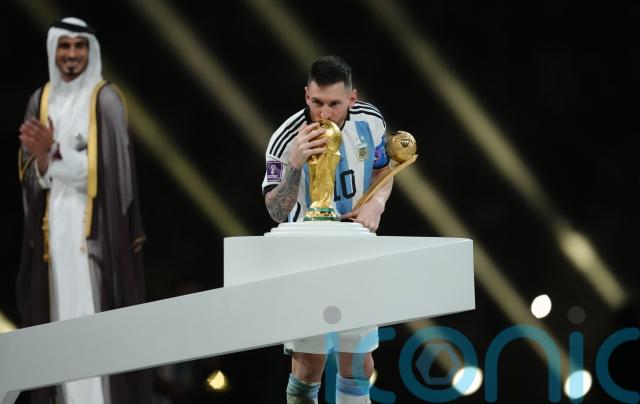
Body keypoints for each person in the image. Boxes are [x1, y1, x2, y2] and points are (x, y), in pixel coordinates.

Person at [17, 17, 150, 404]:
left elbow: (112, 172)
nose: (72, 54)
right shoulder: (41, 100)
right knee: (57, 323)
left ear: (91, 52)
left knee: (92, 325)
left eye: (79, 46)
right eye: (65, 46)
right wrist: (45, 160)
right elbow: (29, 169)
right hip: (52, 239)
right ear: (53, 50)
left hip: (97, 239)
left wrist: (53, 153)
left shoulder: (105, 99)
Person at [262, 56, 393, 404]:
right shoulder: (285, 139)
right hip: (305, 259)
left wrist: (376, 203)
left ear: (352, 98)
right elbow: (275, 211)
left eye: (334, 104)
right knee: (308, 366)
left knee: (359, 364)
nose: (324, 113)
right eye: (317, 102)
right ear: (307, 95)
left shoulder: (371, 121)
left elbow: (383, 169)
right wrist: (294, 163)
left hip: (356, 252)